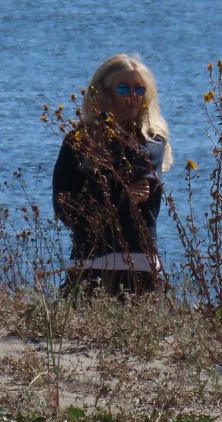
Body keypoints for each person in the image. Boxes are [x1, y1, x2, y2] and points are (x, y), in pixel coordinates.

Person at [52, 53, 173, 296]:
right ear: (103, 94)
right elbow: (65, 209)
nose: (132, 97)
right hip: (89, 261)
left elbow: (139, 162)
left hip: (139, 265)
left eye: (139, 89)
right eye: (123, 88)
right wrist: (123, 194)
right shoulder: (77, 142)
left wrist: (107, 124)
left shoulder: (153, 141)